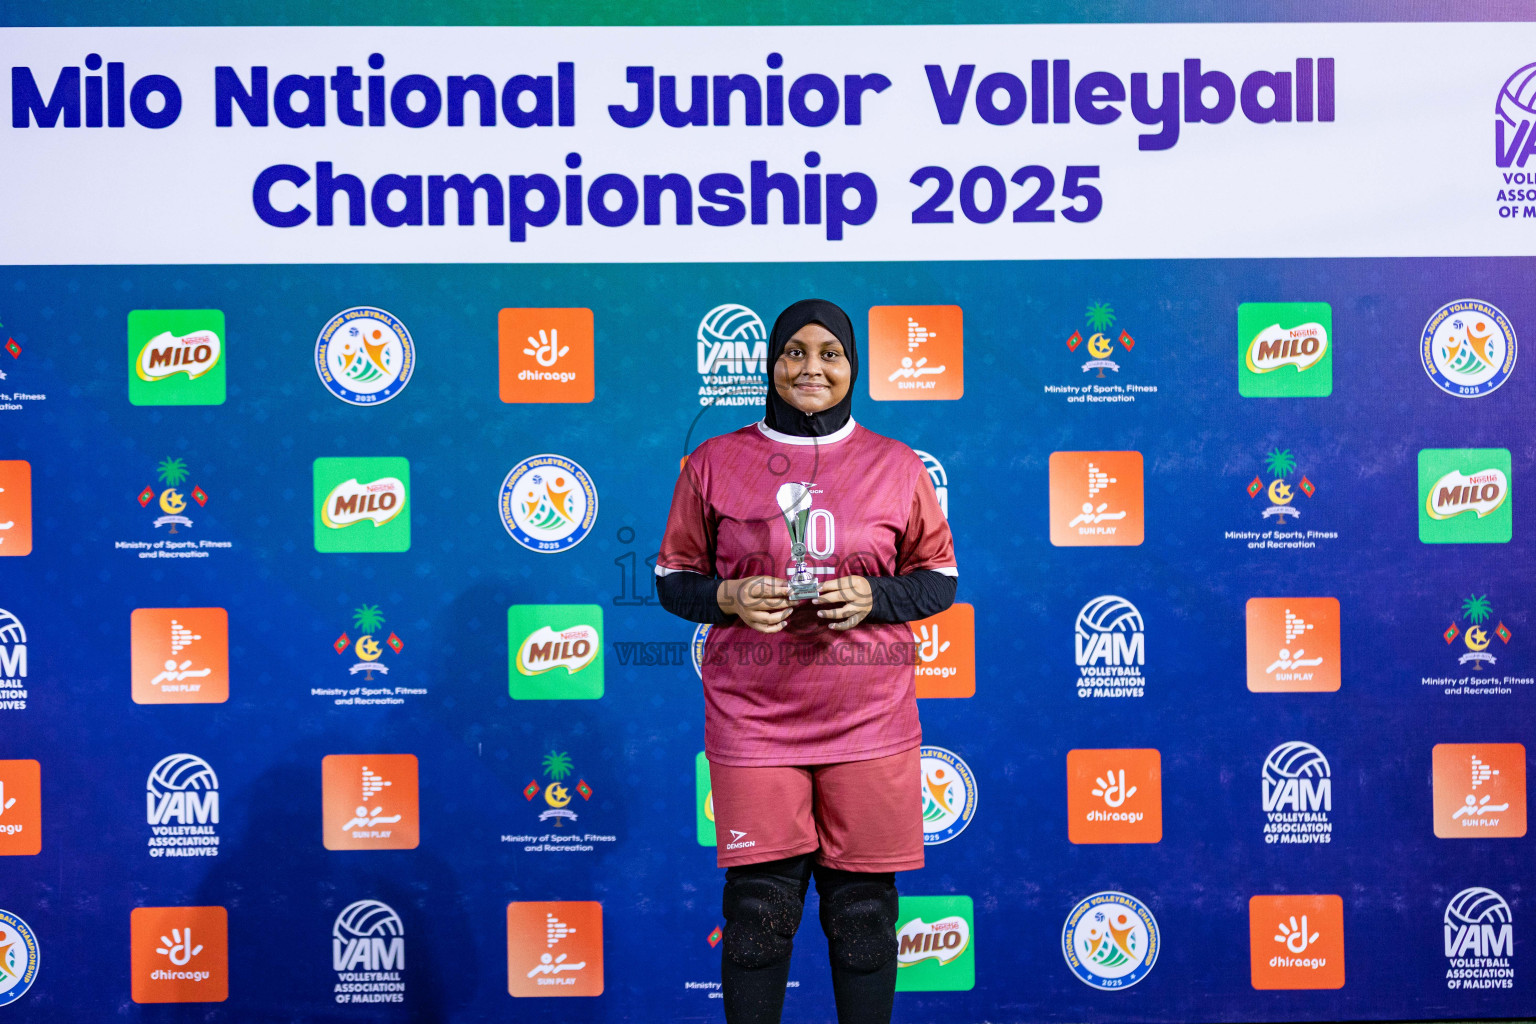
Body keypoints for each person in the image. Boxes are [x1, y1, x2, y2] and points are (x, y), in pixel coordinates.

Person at [656, 299, 959, 1024]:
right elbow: (672, 579)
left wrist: (874, 597)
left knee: (862, 919)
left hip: (869, 721)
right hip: (755, 720)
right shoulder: (713, 462)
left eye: (831, 353)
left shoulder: (895, 463)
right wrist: (727, 594)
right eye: (794, 352)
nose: (812, 367)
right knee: (758, 914)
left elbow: (940, 578)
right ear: (770, 365)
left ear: (854, 367)